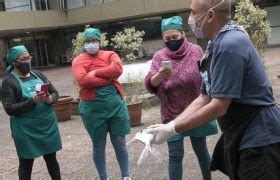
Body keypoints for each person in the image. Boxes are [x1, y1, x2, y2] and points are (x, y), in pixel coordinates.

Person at [145, 0, 280, 180]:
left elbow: (219, 105)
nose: (191, 20)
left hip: (259, 136)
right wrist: (170, 125)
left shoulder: (230, 44)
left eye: (193, 13)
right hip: (240, 133)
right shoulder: (215, 44)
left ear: (209, 15)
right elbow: (205, 96)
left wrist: (174, 129)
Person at [144, 16, 217, 180]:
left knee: (201, 150)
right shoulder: (159, 56)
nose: (171, 41)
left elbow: (206, 74)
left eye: (174, 37)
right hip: (172, 113)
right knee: (175, 155)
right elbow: (150, 84)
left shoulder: (196, 50)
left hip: (196, 110)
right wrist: (160, 76)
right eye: (167, 38)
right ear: (163, 38)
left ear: (182, 34)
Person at [72, 28, 131, 180]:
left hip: (116, 107)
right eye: (87, 41)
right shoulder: (78, 60)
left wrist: (96, 73)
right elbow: (83, 80)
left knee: (120, 142)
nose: (90, 44)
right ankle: (103, 177)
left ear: (99, 41)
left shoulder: (110, 54)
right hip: (92, 110)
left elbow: (118, 69)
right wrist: (108, 78)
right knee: (98, 146)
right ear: (83, 43)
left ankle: (126, 176)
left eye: (93, 40)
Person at [2, 45, 62, 180]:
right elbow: (9, 108)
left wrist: (50, 98)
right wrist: (32, 101)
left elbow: (55, 93)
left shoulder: (38, 74)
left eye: (29, 58)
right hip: (26, 130)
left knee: (52, 160)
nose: (28, 61)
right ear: (14, 62)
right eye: (23, 59)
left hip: (47, 127)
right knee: (26, 164)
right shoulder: (9, 82)